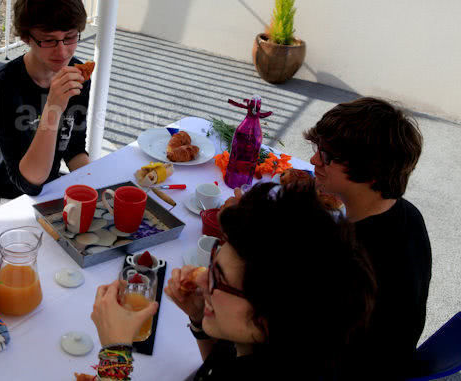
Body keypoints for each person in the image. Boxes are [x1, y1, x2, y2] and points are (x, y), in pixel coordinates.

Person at [88, 181, 375, 380]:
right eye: (213, 262)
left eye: (219, 279)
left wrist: (115, 353)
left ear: (273, 312)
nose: (202, 283)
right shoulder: (284, 350)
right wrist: (200, 319)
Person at [304, 97, 431, 379]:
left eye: (326, 155)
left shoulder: (350, 254)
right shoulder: (407, 214)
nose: (314, 160)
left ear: (369, 171)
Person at [0, 0, 91, 210]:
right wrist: (54, 107)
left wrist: (97, 184)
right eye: (49, 40)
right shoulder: (1, 87)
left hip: (47, 191)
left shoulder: (76, 74)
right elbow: (28, 183)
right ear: (27, 37)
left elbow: (74, 148)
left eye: (70, 37)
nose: (62, 51)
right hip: (3, 200)